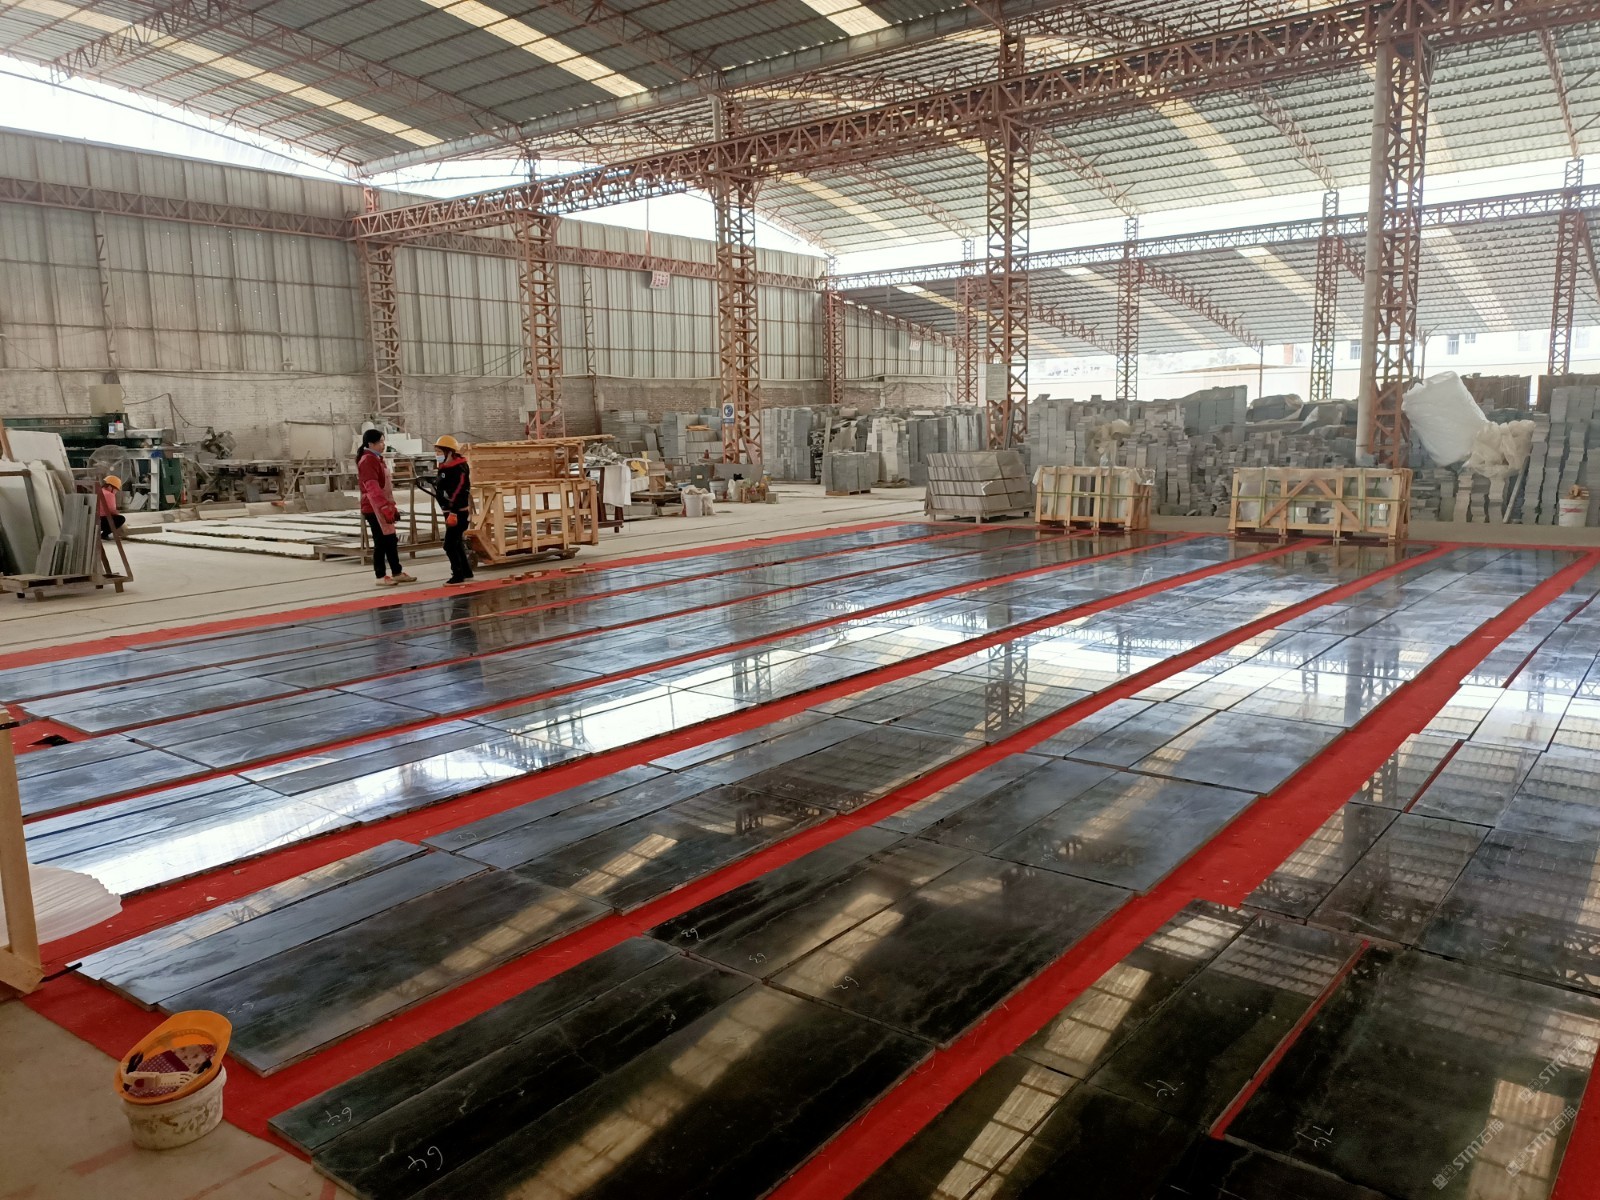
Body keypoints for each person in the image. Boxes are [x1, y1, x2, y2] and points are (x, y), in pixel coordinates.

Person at [357, 429, 415, 587]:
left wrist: (391, 506)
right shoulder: (367, 460)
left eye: (383, 441)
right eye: (381, 442)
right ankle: (380, 575)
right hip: (373, 507)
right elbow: (372, 487)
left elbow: (385, 487)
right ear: (371, 444)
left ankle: (397, 572)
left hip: (384, 506)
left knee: (390, 540)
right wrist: (383, 506)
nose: (383, 445)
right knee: (381, 541)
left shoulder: (377, 459)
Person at [433, 435, 475, 587]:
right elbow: (442, 485)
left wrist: (453, 512)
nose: (437, 455)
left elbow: (460, 491)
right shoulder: (444, 466)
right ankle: (466, 572)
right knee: (456, 543)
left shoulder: (459, 469)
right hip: (449, 511)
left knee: (449, 545)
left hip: (458, 513)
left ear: (449, 452)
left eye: (439, 451)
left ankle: (457, 575)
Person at [97, 474, 126, 540]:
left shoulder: (99, 491)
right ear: (110, 486)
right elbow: (112, 511)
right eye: (116, 489)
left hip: (94, 520)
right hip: (101, 521)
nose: (116, 491)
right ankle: (104, 535)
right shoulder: (109, 494)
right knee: (121, 519)